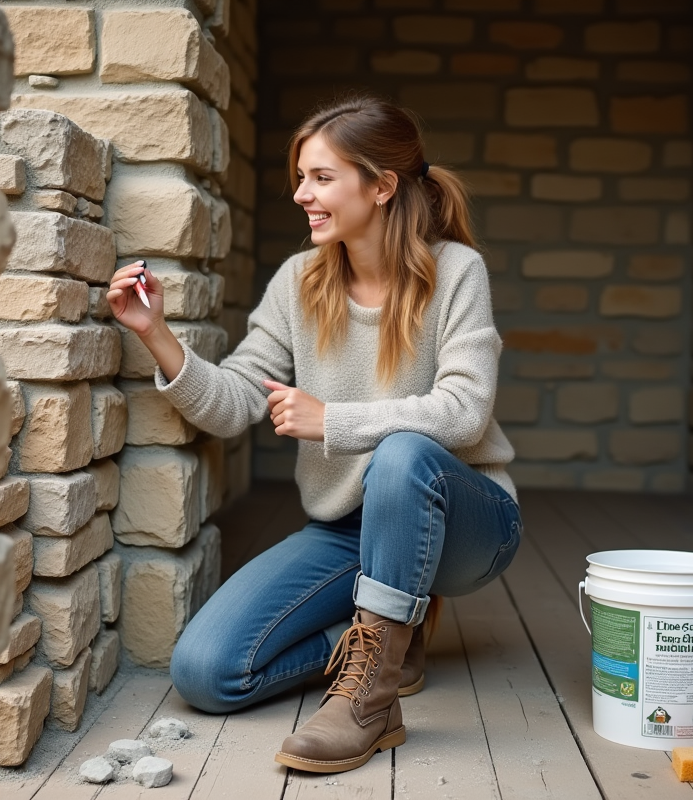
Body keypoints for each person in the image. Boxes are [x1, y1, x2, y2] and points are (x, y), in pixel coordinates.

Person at [106, 94, 520, 774]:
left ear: (381, 186)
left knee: (404, 454)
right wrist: (156, 335)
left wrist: (332, 420)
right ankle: (382, 637)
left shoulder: (456, 272)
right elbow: (237, 401)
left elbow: (465, 411)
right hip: (348, 530)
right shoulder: (300, 281)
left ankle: (369, 701)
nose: (301, 194)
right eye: (300, 177)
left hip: (464, 522)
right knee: (206, 671)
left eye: (321, 177)